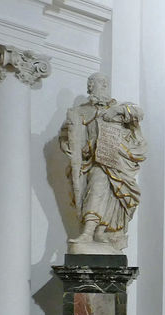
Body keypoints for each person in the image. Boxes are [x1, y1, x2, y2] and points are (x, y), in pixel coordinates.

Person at [59, 73, 147, 253]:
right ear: (90, 87)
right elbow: (69, 135)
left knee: (114, 196)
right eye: (99, 83)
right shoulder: (80, 112)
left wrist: (118, 111)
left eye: (105, 84)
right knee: (97, 187)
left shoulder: (117, 108)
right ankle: (89, 232)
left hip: (117, 160)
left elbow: (138, 113)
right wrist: (66, 143)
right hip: (95, 160)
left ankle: (99, 232)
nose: (103, 87)